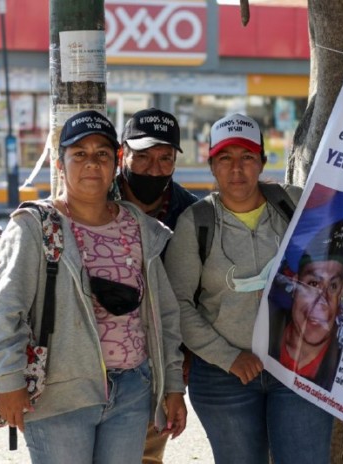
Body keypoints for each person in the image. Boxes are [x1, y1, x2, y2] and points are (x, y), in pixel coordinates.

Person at [0, 110, 187, 464]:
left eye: (102, 154)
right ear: (60, 164)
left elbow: (163, 316)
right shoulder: (35, 226)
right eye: (80, 154)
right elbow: (3, 308)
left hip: (132, 392)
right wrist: (9, 379)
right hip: (61, 394)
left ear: (116, 162)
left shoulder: (139, 226)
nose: (92, 163)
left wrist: (171, 385)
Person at [164, 113, 333, 463]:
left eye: (247, 158)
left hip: (297, 367)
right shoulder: (195, 223)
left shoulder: (295, 205)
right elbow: (177, 304)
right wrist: (230, 358)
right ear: (211, 165)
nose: (236, 169)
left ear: (262, 162)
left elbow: (340, 260)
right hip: (225, 376)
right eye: (225, 158)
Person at [118, 107, 198, 464]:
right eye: (143, 157)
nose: (154, 169)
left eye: (165, 158)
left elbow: (196, 295)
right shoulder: (94, 199)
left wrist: (181, 367)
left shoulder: (190, 214)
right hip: (93, 357)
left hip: (158, 363)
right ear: (123, 154)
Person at [268, 219, 343, 391]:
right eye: (313, 284)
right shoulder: (264, 326)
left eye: (333, 286)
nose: (322, 301)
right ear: (296, 283)